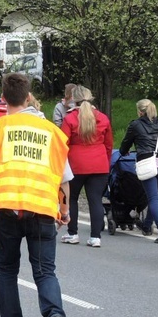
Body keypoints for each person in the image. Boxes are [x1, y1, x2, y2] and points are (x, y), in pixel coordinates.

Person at [0, 72, 71, 317]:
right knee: (45, 271)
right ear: (29, 97)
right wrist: (64, 210)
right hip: (42, 208)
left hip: (6, 207)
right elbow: (64, 177)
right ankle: (55, 315)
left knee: (7, 270)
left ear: (3, 99)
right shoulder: (52, 132)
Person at [60, 86, 113, 248]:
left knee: (72, 199)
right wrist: (106, 161)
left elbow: (63, 143)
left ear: (73, 99)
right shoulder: (102, 118)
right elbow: (109, 145)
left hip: (76, 164)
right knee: (95, 200)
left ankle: (73, 233)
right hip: (99, 164)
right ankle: (95, 237)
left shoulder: (70, 119)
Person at [119, 99, 158, 244]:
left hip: (148, 163)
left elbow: (125, 145)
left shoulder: (135, 125)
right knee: (155, 197)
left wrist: (124, 152)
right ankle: (147, 226)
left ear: (140, 111)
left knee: (153, 199)